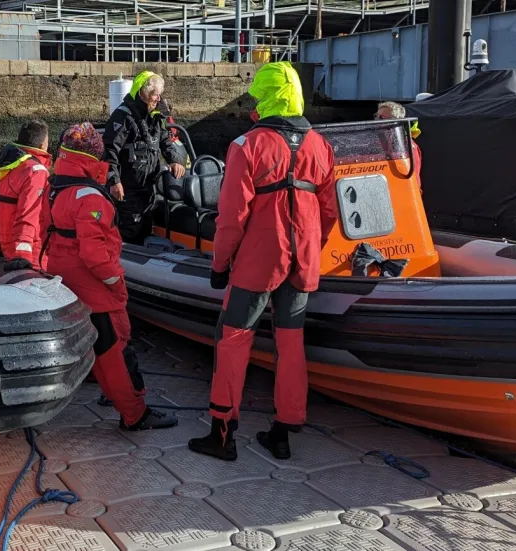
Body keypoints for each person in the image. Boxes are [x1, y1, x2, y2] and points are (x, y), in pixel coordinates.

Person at [188, 62, 339, 462]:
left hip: (258, 262)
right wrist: (311, 248)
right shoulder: (321, 146)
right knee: (291, 344)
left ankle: (222, 434)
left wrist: (220, 265)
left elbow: (231, 216)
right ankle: (284, 431)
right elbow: (328, 213)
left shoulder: (246, 146)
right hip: (303, 261)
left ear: (265, 97)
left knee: (233, 340)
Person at [43, 122, 177, 431]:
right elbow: (94, 255)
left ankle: (117, 398)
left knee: (100, 348)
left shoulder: (54, 188)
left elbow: (45, 232)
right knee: (116, 350)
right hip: (94, 285)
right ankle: (135, 413)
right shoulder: (91, 197)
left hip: (64, 279)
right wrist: (116, 281)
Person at [102, 71, 187, 245]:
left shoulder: (156, 115)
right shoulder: (123, 116)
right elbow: (109, 150)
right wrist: (114, 181)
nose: (158, 98)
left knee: (145, 227)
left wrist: (175, 160)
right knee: (129, 229)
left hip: (148, 186)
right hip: (127, 188)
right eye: (155, 95)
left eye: (159, 95)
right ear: (144, 93)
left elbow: (165, 140)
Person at [0, 120, 52, 270]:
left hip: (6, 246)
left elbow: (0, 210)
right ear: (43, 144)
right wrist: (22, 255)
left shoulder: (4, 165)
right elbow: (29, 214)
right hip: (31, 253)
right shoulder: (36, 171)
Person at [374, 100, 423, 192]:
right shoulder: (375, 142)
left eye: (382, 117)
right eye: (376, 116)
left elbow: (414, 178)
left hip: (403, 192)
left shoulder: (408, 146)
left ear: (394, 121)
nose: (376, 120)